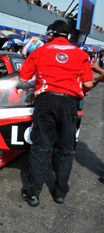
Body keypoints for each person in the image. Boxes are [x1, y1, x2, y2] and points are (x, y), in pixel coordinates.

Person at [18, 20, 93, 206]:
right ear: (68, 35)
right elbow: (89, 84)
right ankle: (60, 193)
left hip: (46, 100)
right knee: (65, 149)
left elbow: (22, 78)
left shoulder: (39, 51)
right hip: (69, 103)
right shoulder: (81, 53)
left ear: (50, 34)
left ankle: (33, 193)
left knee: (40, 147)